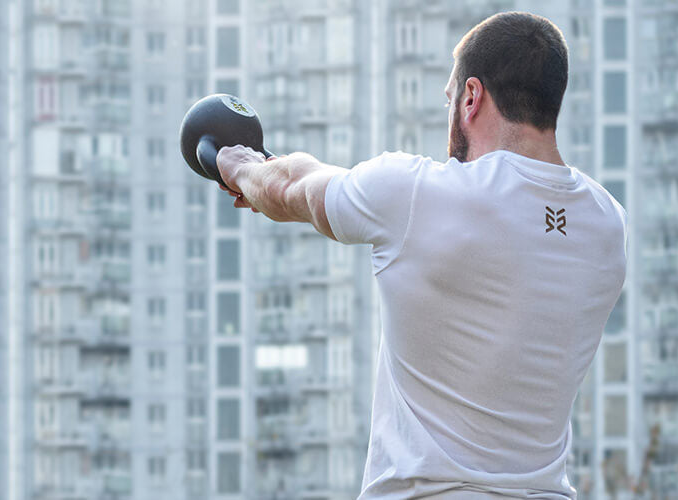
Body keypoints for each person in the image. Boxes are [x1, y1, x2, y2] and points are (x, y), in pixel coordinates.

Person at [216, 11, 627, 500]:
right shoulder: (607, 225)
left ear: (472, 98)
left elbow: (289, 186)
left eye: (451, 98)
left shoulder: (416, 195)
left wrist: (235, 163)